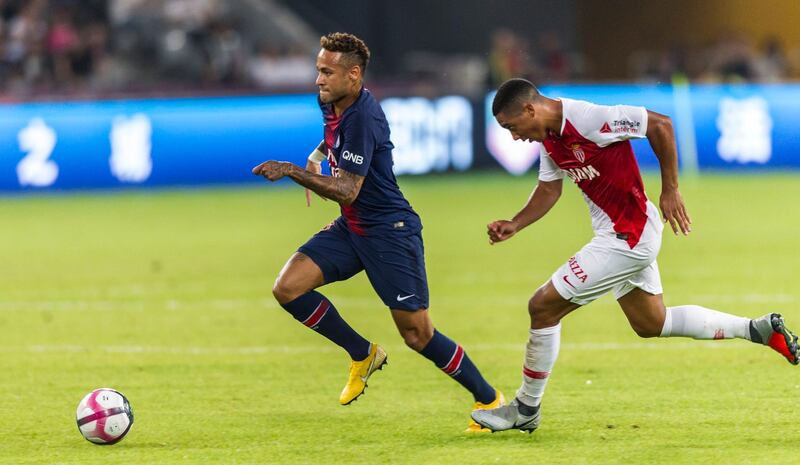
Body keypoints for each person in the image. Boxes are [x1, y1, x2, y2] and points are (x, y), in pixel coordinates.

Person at [471, 78, 799, 433]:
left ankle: (525, 407)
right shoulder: (551, 140)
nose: (514, 137)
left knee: (542, 307)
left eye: (511, 127)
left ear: (530, 109)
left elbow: (661, 124)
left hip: (626, 237)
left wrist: (670, 189)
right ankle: (758, 330)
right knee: (651, 323)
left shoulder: (589, 118)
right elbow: (550, 189)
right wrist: (515, 224)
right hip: (622, 235)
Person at [252, 32, 503, 432]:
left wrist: (292, 171)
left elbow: (349, 189)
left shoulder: (365, 116)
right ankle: (362, 353)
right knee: (288, 287)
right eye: (318, 70)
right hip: (353, 228)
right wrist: (317, 156)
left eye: (327, 72)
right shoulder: (332, 102)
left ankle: (490, 399)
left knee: (418, 334)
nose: (318, 79)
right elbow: (336, 142)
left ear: (354, 75)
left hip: (389, 232)